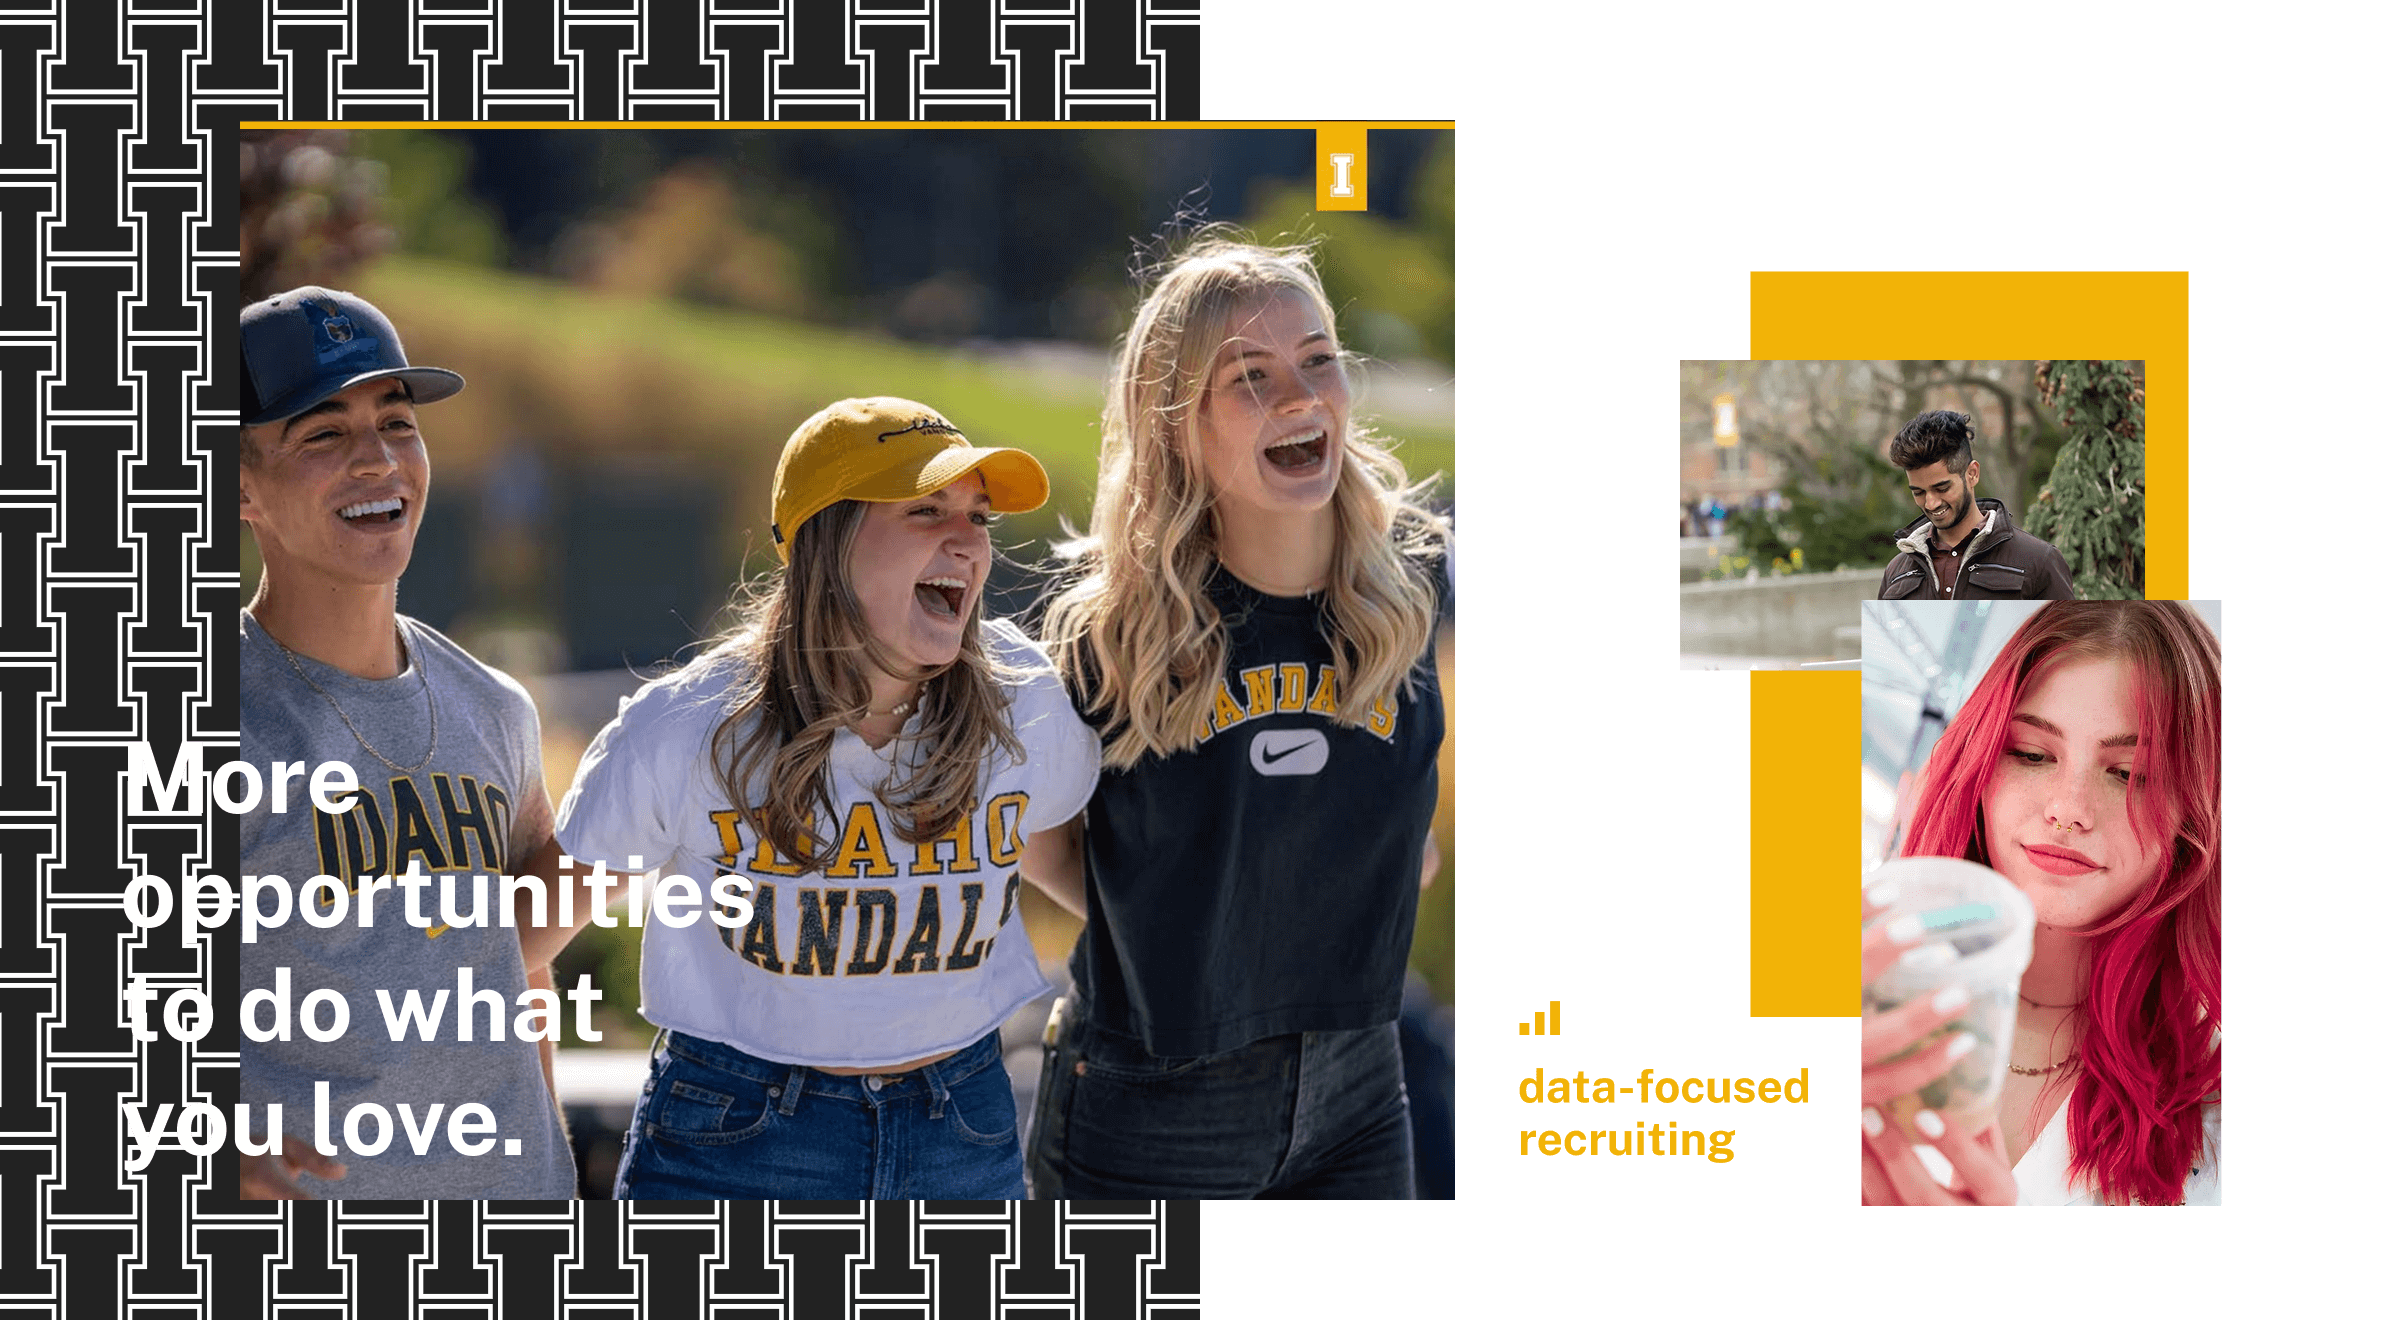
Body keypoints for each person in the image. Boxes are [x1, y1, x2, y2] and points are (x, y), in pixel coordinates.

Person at [548, 397, 1099, 1200]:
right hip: (736, 1140)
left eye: (977, 516)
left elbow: (1069, 865)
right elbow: (517, 941)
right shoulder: (689, 726)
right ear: (827, 541)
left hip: (960, 1129)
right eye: (926, 509)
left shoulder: (1021, 697)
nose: (968, 541)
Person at [1021, 232, 1450, 1199]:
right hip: (1151, 1096)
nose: (1300, 396)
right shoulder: (1112, 630)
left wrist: (1343, 902)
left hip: (1359, 1085)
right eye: (1250, 377)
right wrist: (1189, 936)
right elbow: (1040, 842)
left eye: (1318, 361)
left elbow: (1407, 827)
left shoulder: (1410, 587)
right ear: (1179, 424)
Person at [235, 286, 576, 1199]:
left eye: (397, 423)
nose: (377, 460)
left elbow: (519, 978)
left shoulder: (494, 707)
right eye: (323, 435)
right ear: (241, 488)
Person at [1861, 601, 2220, 1205]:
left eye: (2131, 773)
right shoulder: (1849, 985)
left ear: (2195, 808)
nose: (2069, 808)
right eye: (2031, 754)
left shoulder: (2207, 1093)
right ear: (1978, 764)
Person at [1876, 410, 2074, 600]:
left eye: (1942, 488)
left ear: (1972, 474)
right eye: (1918, 492)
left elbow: (2070, 636)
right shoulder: (1896, 573)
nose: (1931, 503)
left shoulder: (2039, 561)